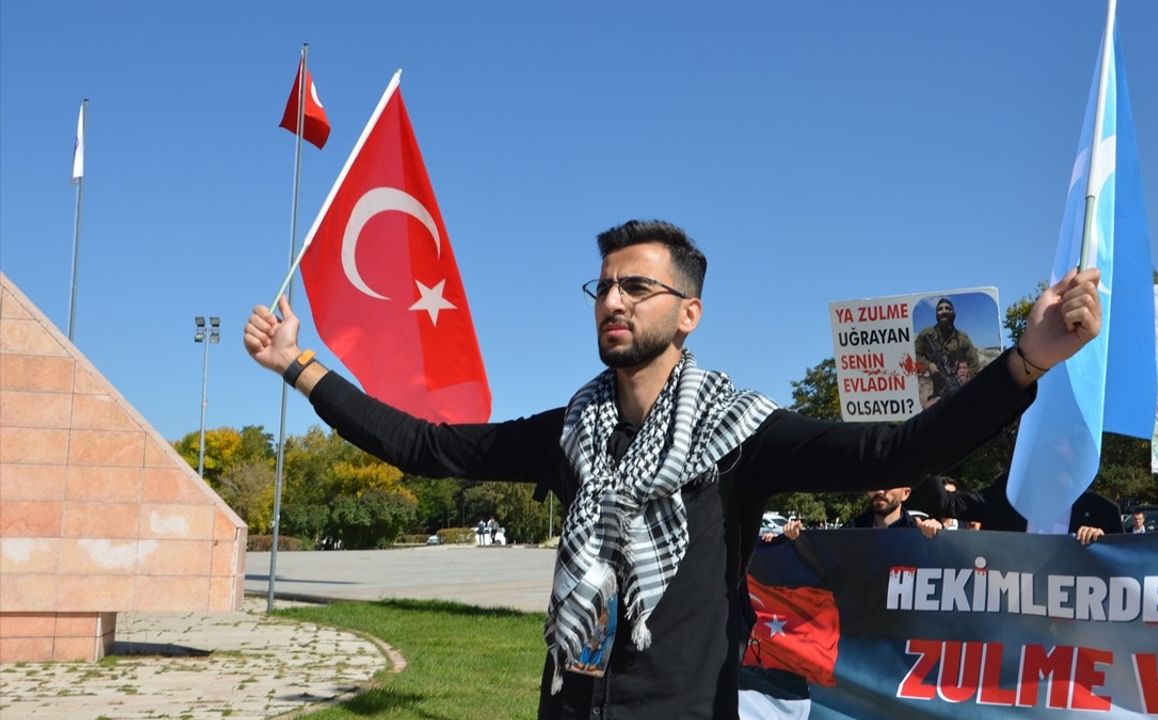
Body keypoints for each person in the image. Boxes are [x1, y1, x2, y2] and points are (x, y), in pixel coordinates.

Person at [244, 219, 1101, 719]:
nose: (612, 301)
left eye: (637, 288)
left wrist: (1025, 361)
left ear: (688, 313)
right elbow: (426, 447)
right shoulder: (569, 431)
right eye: (604, 287)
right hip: (569, 705)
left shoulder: (744, 433)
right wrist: (301, 367)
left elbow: (898, 452)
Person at [906, 473, 1118, 545]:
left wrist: (1104, 543)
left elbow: (1126, 573)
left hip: (1074, 635)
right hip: (1011, 626)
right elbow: (946, 503)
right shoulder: (1007, 495)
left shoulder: (1102, 511)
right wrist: (923, 448)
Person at [915, 297, 982, 406]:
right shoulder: (927, 334)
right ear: (936, 314)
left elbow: (974, 364)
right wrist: (929, 365)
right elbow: (914, 354)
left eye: (947, 308)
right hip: (932, 388)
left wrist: (965, 376)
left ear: (953, 313)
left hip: (958, 387)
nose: (944, 311)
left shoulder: (962, 339)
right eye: (940, 309)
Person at [843, 487, 944, 539]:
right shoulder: (849, 532)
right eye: (873, 483)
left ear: (905, 493)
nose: (879, 491)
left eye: (888, 484)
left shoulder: (918, 533)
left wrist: (939, 537)